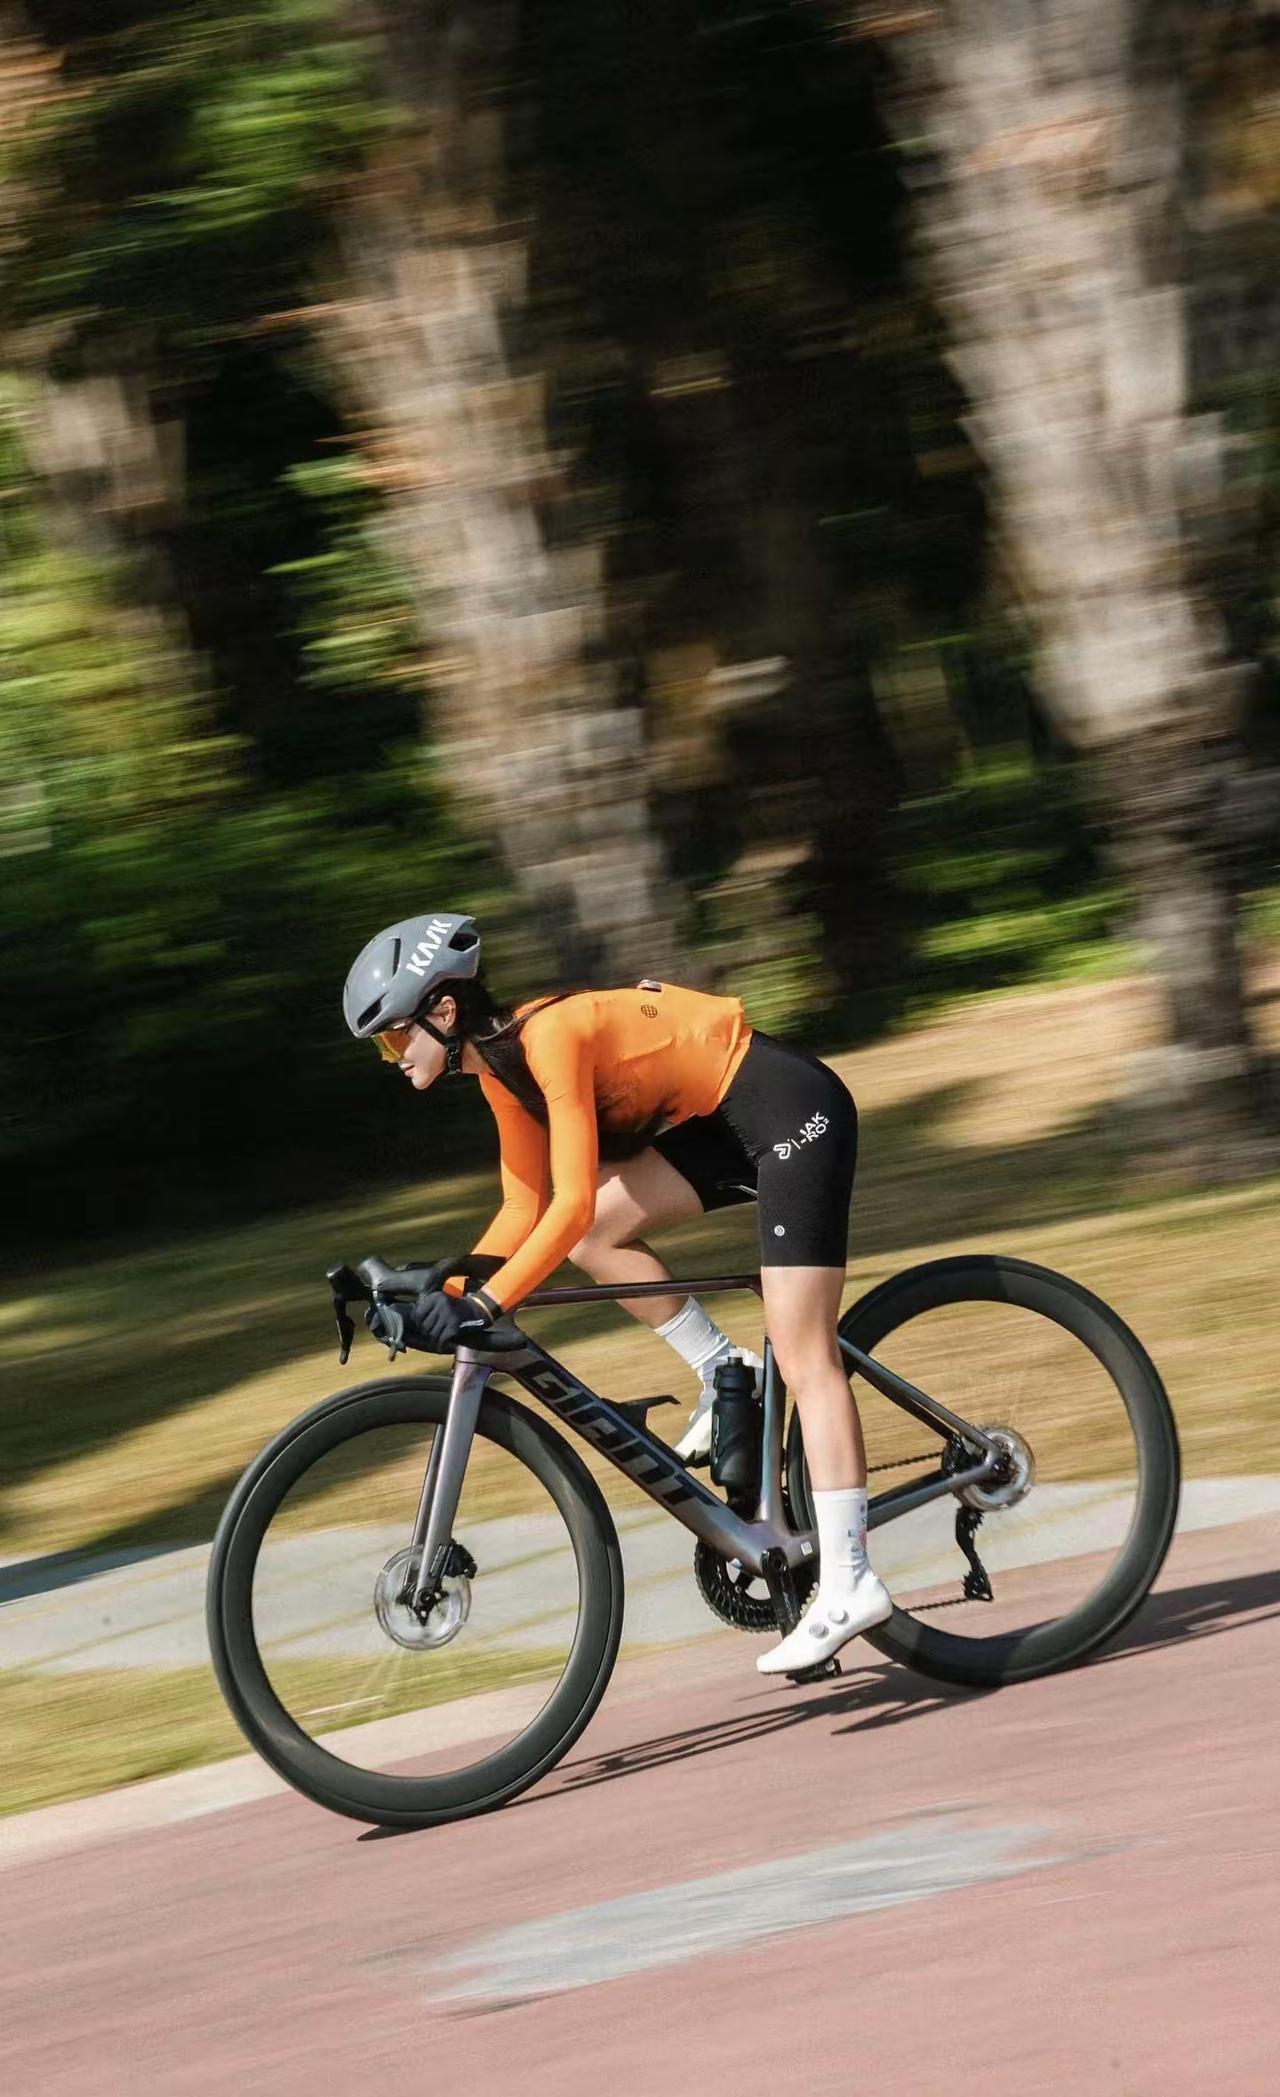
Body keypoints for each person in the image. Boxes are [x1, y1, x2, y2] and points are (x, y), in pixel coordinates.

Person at [343, 910, 890, 1673]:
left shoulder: (549, 1039)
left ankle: (851, 1581)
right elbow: (521, 1212)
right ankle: (722, 1368)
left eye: (395, 1037)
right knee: (603, 1232)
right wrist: (440, 1282)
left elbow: (562, 1205)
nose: (391, 1057)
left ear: (443, 1011)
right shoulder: (500, 1074)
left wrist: (487, 1305)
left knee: (806, 1352)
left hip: (789, 1110)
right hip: (723, 1124)